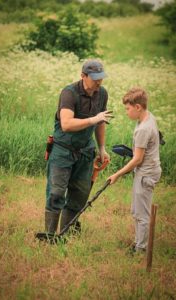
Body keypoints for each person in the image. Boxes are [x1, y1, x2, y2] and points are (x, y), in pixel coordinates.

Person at [44, 59, 113, 235]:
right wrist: (93, 119)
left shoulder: (102, 93)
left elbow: (101, 121)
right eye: (95, 78)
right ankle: (50, 235)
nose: (99, 81)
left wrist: (102, 147)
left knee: (80, 195)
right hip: (63, 149)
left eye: (101, 78)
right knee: (56, 193)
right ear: (83, 76)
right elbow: (66, 124)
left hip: (85, 151)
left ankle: (65, 235)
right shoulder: (69, 93)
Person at [108, 87, 161, 253]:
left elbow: (137, 159)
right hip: (146, 170)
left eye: (127, 108)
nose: (126, 112)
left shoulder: (144, 129)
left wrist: (116, 174)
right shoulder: (148, 118)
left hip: (146, 173)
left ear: (138, 107)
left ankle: (140, 249)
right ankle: (139, 243)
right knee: (136, 209)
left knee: (142, 214)